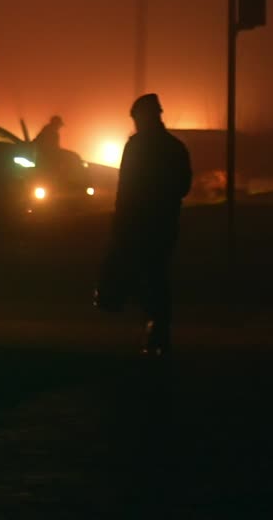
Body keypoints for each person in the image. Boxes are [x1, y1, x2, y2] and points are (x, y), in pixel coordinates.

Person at [96, 93, 192, 356]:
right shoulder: (174, 147)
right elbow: (184, 186)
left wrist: (120, 221)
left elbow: (125, 189)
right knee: (157, 274)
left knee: (145, 274)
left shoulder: (136, 147)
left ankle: (151, 327)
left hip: (138, 223)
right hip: (164, 223)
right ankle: (158, 329)